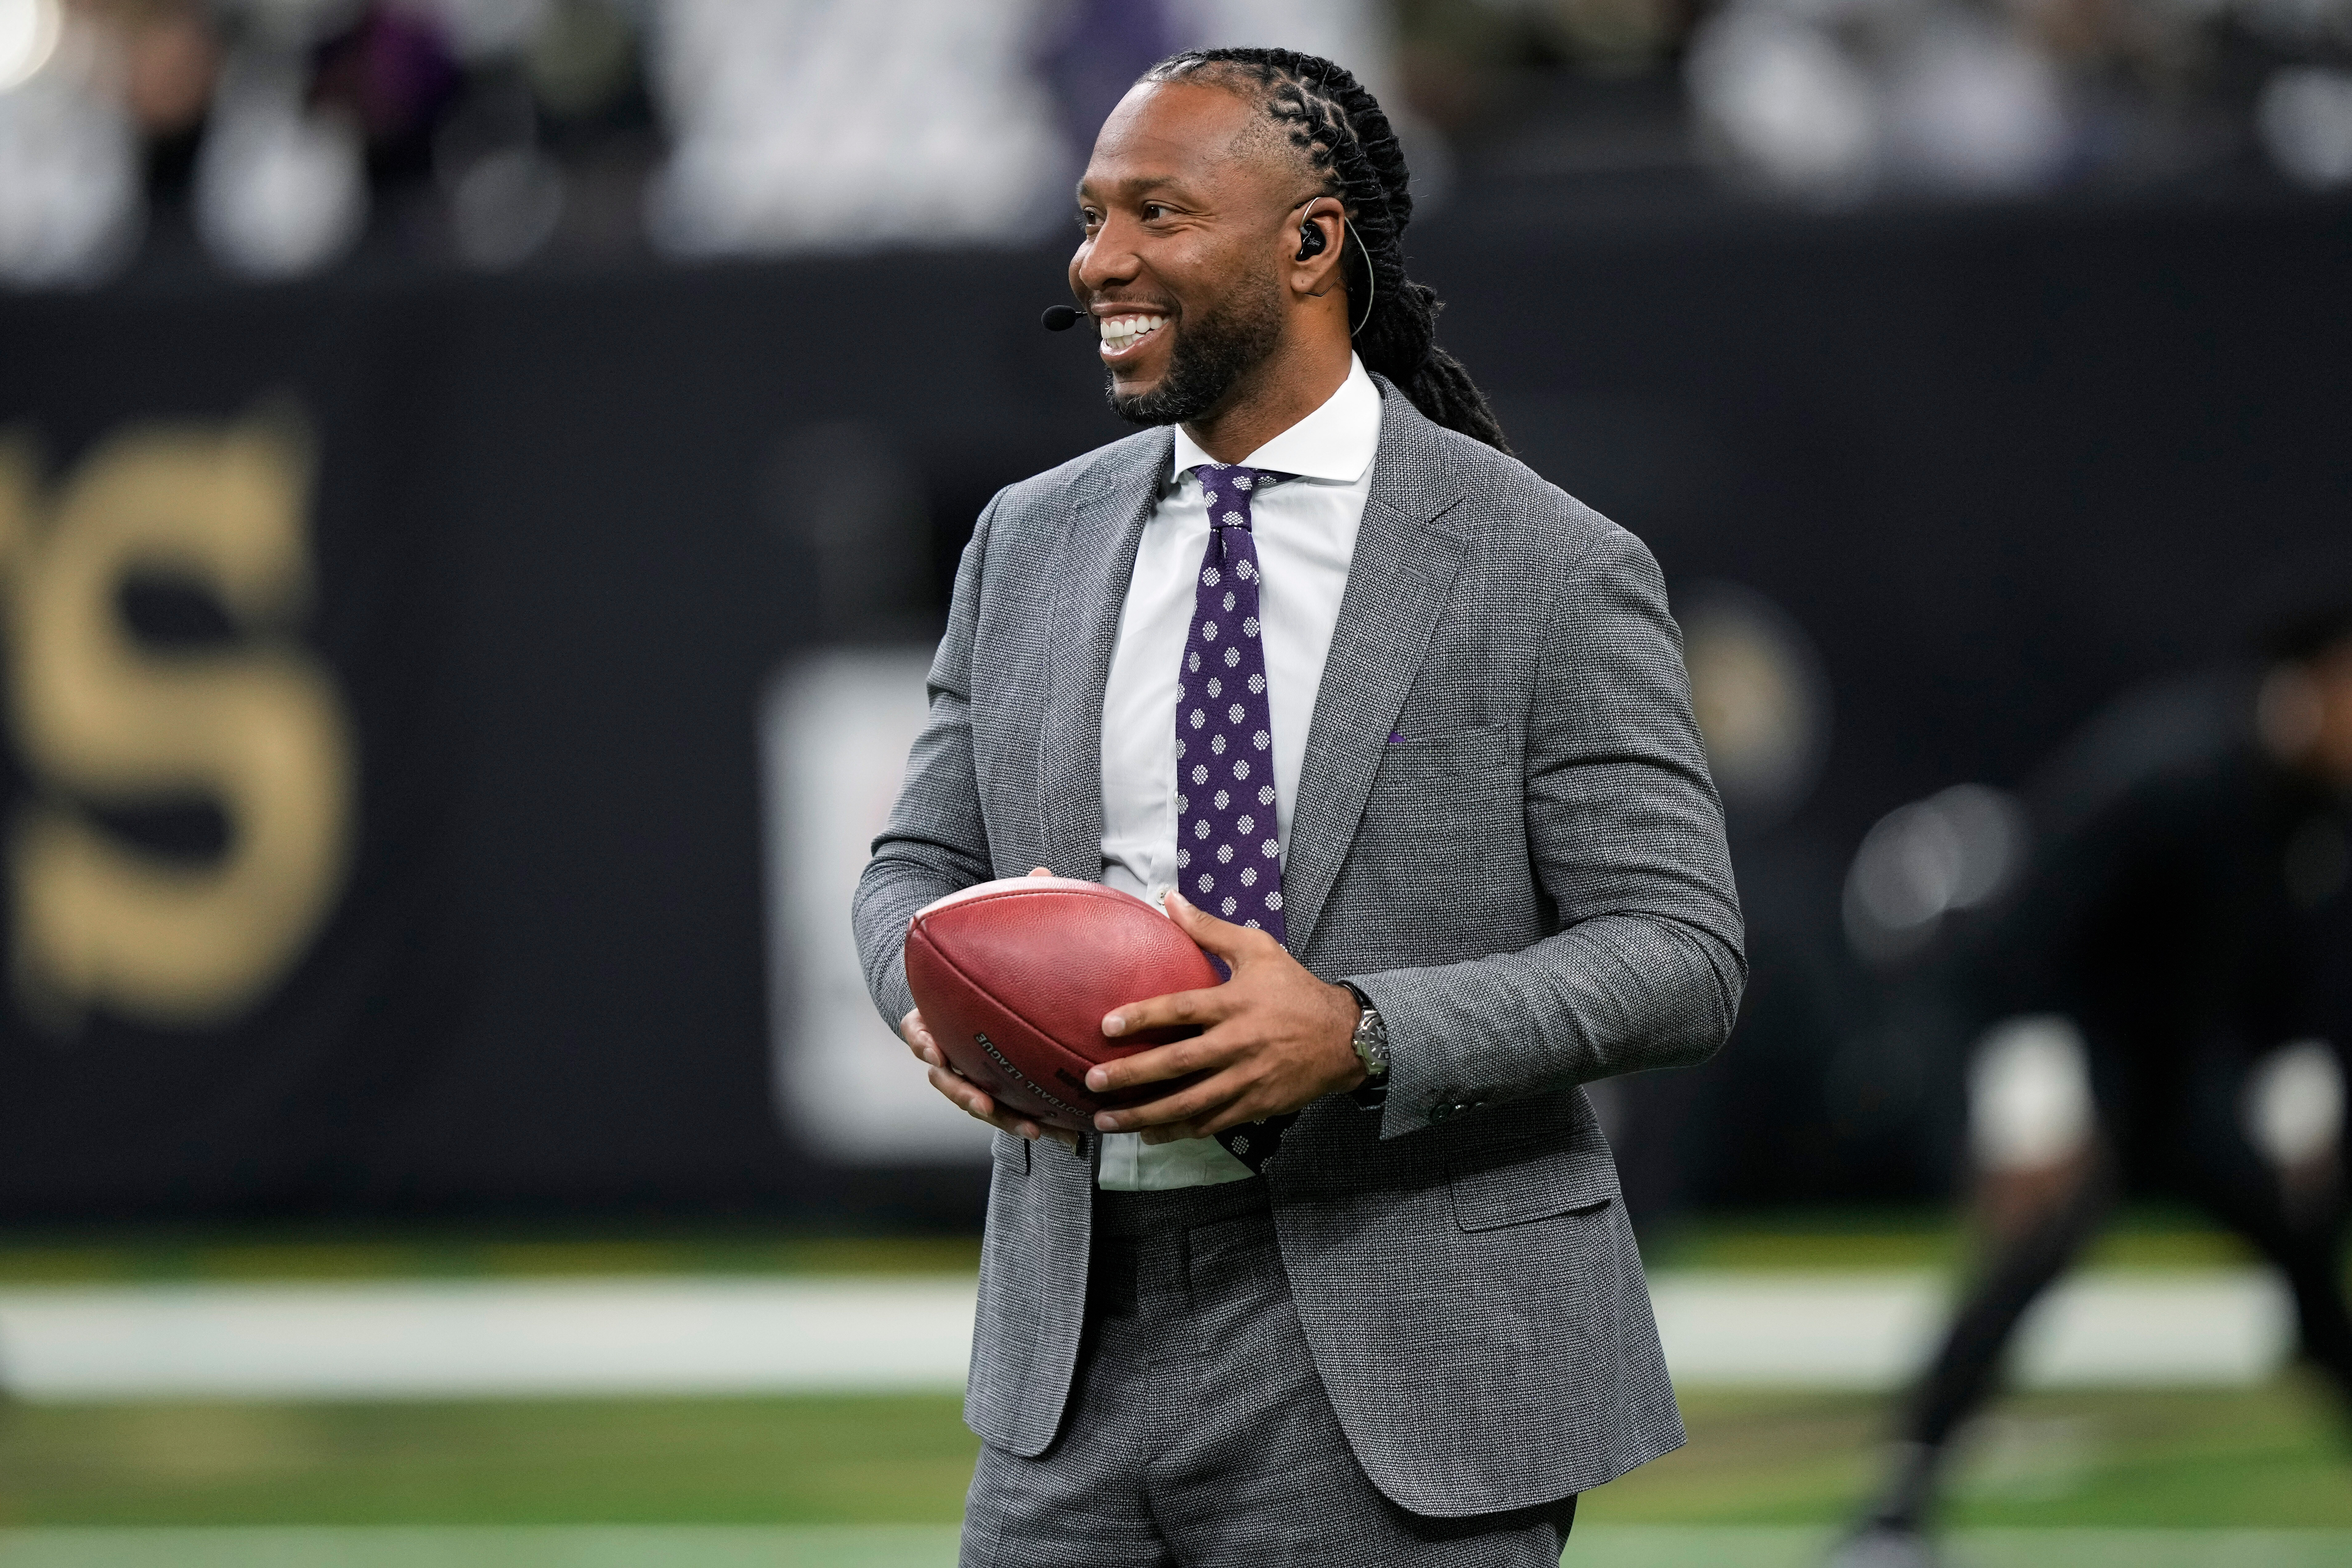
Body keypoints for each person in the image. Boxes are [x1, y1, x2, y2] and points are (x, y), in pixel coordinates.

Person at [852, 47, 1744, 1566]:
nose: (1098, 259)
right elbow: (916, 868)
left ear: (1312, 242)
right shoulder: (1026, 541)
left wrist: (1359, 1031)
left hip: (1409, 1337)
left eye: (1157, 212)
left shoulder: (1547, 562)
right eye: (1089, 214)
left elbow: (1681, 951)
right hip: (1075, 1340)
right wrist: (941, 1005)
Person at [1834, 598, 2352, 1568]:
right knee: (2032, 1247)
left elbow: (2291, 963)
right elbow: (2028, 924)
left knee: (2299, 1235)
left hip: (2182, 1066)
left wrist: (2294, 1079)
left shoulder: (2319, 806)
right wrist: (2034, 1097)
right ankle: (1892, 1510)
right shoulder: (2170, 769)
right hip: (2072, 1046)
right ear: (2317, 681)